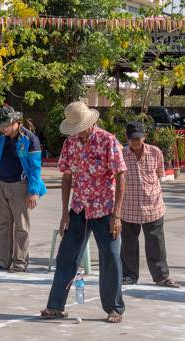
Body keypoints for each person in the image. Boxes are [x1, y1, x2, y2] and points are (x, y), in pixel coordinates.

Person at [41, 101, 126, 323]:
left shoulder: (108, 141)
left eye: (79, 128)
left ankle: (114, 308)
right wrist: (64, 213)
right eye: (73, 129)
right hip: (79, 207)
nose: (76, 133)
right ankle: (55, 306)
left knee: (111, 256)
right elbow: (67, 176)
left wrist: (117, 214)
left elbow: (120, 176)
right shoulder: (70, 143)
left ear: (90, 123)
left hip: (104, 208)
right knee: (66, 256)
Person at [121, 122, 178, 288]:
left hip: (153, 206)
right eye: (133, 139)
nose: (136, 142)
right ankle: (130, 275)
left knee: (156, 243)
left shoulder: (155, 152)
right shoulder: (121, 154)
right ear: (127, 139)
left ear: (144, 137)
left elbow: (160, 175)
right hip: (128, 206)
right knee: (128, 244)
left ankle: (161, 277)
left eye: (139, 139)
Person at [0, 106, 46, 273]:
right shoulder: (1, 138)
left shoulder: (30, 139)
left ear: (15, 122)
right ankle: (2, 261)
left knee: (21, 226)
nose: (2, 129)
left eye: (4, 125)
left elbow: (35, 167)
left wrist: (33, 191)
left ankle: (20, 262)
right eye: (0, 126)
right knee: (3, 225)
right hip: (2, 184)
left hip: (20, 186)